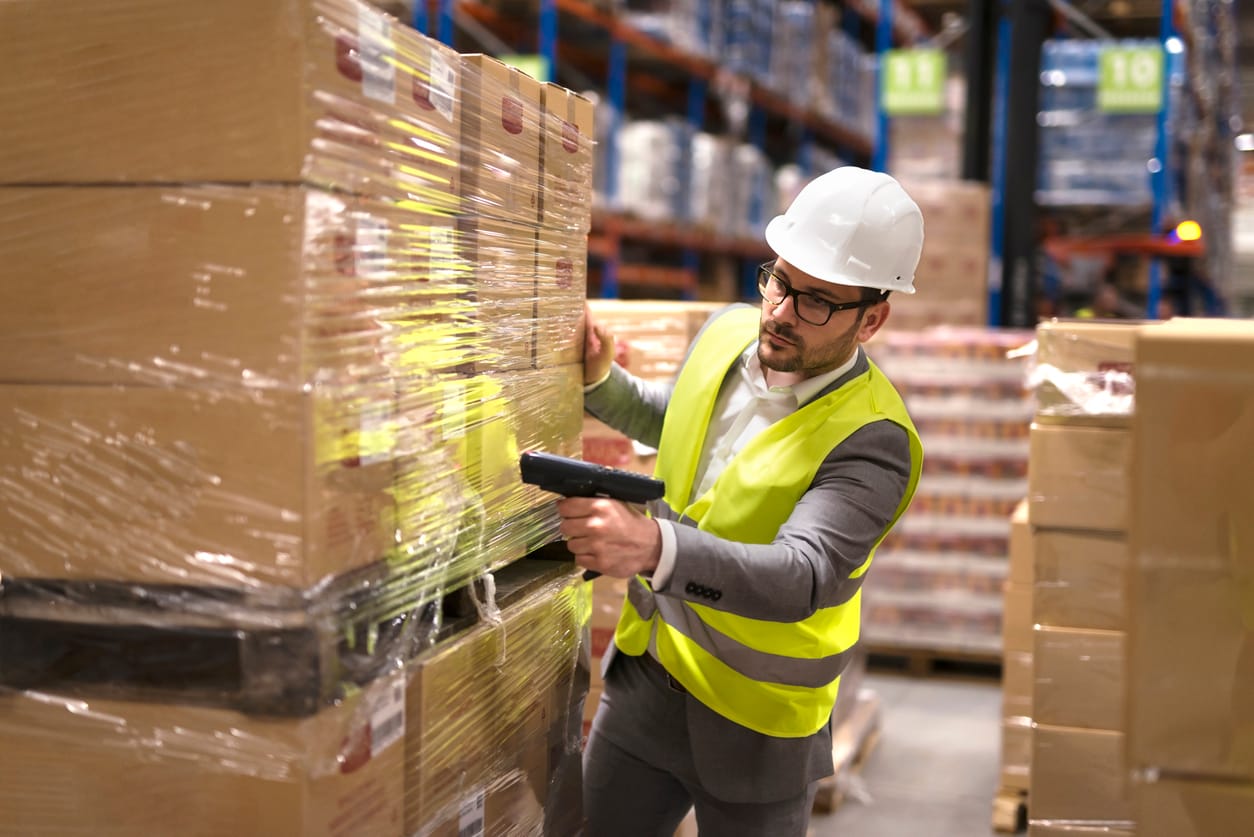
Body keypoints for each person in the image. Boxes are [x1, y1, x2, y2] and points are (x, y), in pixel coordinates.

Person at [557, 166, 925, 837]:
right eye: (780, 279)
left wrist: (651, 546)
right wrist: (601, 382)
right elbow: (681, 420)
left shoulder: (875, 439)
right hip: (650, 678)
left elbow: (802, 574)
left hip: (758, 725)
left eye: (816, 300)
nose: (781, 311)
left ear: (873, 318)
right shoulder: (730, 333)